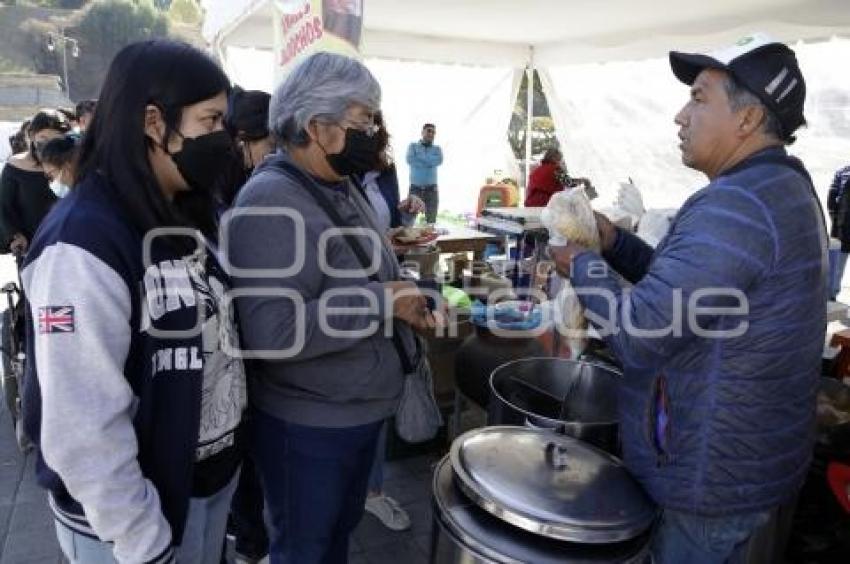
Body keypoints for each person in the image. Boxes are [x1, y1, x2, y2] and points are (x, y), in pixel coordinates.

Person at [549, 33, 824, 563]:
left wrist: (580, 263)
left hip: (708, 480)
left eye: (699, 98)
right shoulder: (780, 189)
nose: (680, 115)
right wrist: (612, 244)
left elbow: (641, 334)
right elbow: (690, 297)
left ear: (746, 120)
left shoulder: (737, 206)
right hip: (743, 467)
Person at [21, 40, 246, 564]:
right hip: (132, 524)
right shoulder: (82, 242)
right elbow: (82, 425)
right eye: (210, 121)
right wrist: (144, 543)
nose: (224, 139)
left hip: (204, 488)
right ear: (152, 122)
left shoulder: (181, 211)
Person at [227, 51, 437, 563]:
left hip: (353, 411)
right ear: (317, 128)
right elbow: (274, 332)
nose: (374, 132)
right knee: (305, 549)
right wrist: (385, 300)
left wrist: (405, 289)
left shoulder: (339, 184)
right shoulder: (271, 200)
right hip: (307, 427)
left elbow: (361, 267)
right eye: (363, 120)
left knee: (333, 540)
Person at [356, 110, 424, 532]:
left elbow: (393, 229)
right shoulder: (326, 183)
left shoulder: (383, 172)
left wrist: (407, 214)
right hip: (349, 304)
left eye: (371, 127)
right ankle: (349, 490)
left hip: (385, 296)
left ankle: (373, 491)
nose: (366, 136)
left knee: (379, 392)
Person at [0, 109, 70, 254]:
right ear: (32, 136)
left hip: (66, 244)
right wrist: (15, 236)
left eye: (55, 138)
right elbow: (3, 207)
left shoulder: (72, 165)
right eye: (43, 138)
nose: (48, 144)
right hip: (30, 248)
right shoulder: (15, 166)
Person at [524, 147, 594, 207]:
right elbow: (569, 183)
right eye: (560, 159)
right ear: (554, 158)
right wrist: (584, 180)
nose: (561, 161)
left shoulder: (537, 170)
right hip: (545, 204)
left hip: (530, 204)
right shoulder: (554, 169)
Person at [406, 123, 442, 223]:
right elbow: (410, 160)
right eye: (429, 131)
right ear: (422, 132)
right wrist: (429, 162)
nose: (431, 134)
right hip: (415, 190)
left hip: (432, 190)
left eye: (433, 132)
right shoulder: (412, 146)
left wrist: (419, 158)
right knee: (408, 221)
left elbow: (438, 161)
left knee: (431, 222)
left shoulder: (437, 149)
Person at [827, 163, 850, 300]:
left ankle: (830, 295)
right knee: (836, 266)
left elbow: (831, 200)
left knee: (836, 267)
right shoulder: (842, 172)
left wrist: (835, 222)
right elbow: (831, 199)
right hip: (842, 228)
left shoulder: (842, 172)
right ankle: (830, 295)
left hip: (841, 227)